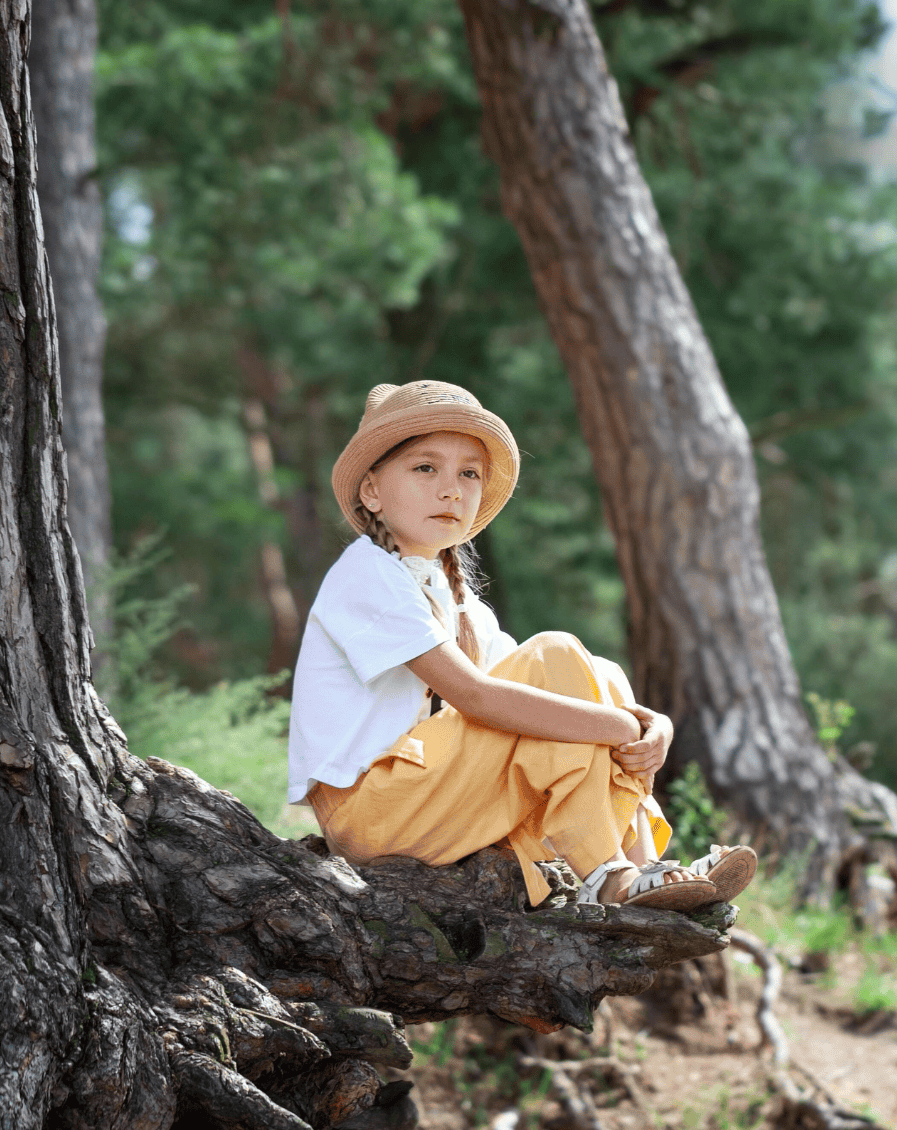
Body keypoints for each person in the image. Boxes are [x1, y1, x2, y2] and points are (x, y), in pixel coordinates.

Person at [287, 380, 756, 912]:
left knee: (593, 671)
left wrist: (655, 727)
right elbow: (479, 697)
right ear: (372, 491)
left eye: (469, 473)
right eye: (425, 468)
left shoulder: (459, 602)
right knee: (556, 656)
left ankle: (642, 868)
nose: (451, 489)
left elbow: (551, 694)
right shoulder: (365, 573)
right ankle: (608, 875)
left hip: (434, 798)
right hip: (373, 814)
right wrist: (622, 728)